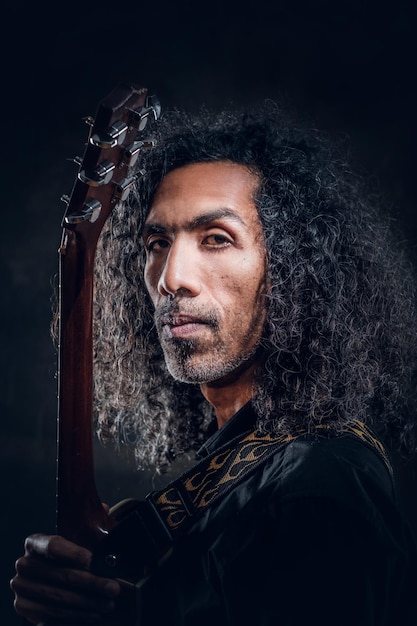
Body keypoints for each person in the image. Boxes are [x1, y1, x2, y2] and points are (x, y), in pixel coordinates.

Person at [11, 101, 417, 625]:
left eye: (216, 239)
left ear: (292, 270)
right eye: (157, 243)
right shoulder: (240, 468)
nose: (171, 277)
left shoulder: (318, 489)